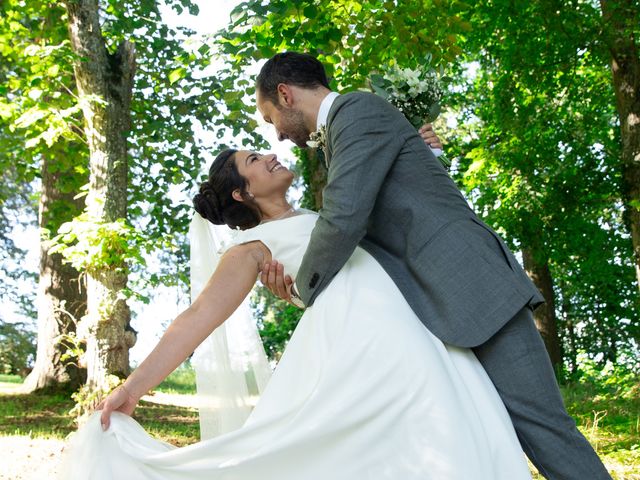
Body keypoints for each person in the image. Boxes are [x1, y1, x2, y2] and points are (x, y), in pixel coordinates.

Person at [59, 147, 532, 479]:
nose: (268, 156)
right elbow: (198, 317)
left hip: (412, 325)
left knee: (449, 427)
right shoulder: (249, 249)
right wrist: (133, 387)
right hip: (362, 345)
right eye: (252, 161)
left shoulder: (321, 216)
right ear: (242, 193)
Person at [256, 51, 611, 480]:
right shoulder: (350, 130)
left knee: (545, 428)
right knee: (520, 430)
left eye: (269, 116)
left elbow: (344, 215)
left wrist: (301, 290)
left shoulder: (356, 111)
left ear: (285, 94)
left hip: (475, 287)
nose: (275, 134)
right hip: (445, 300)